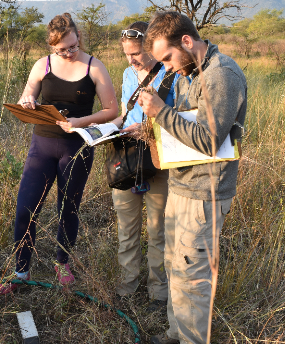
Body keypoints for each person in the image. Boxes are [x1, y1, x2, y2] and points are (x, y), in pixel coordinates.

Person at [137, 12, 247, 344]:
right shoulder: (189, 72)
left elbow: (210, 140)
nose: (167, 66)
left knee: (193, 277)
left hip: (205, 193)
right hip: (182, 185)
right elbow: (184, 128)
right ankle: (177, 334)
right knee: (176, 268)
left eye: (167, 58)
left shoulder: (221, 75)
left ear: (186, 41)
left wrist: (160, 111)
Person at [0, 13, 118, 294]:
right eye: (62, 50)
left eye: (73, 46)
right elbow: (28, 94)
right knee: (25, 208)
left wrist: (78, 122)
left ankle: (62, 263)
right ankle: (21, 271)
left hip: (77, 147)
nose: (69, 53)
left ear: (79, 38)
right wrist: (27, 101)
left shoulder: (95, 67)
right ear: (52, 48)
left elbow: (112, 110)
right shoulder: (42, 65)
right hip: (42, 144)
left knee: (68, 208)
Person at [109, 21, 179, 312]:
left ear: (152, 46)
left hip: (157, 159)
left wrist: (150, 129)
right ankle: (127, 288)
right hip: (127, 157)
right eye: (127, 53)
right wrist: (107, 129)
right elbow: (125, 112)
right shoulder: (127, 74)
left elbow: (180, 121)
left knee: (158, 229)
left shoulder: (172, 75)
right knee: (126, 227)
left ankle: (158, 293)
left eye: (136, 53)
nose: (131, 59)